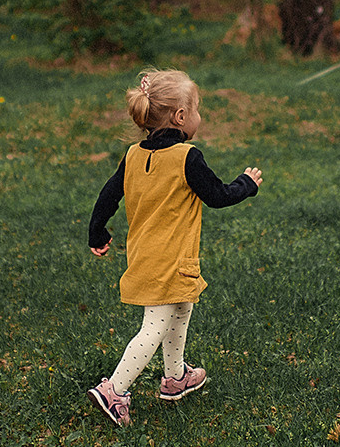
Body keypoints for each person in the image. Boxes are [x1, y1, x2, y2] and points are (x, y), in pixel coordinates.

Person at [85, 68, 262, 427]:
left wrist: (96, 231)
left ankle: (175, 377)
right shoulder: (187, 157)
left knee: (182, 307)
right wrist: (246, 184)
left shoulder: (134, 155)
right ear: (181, 117)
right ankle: (114, 391)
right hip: (170, 260)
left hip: (148, 256)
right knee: (154, 326)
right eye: (197, 110)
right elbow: (217, 196)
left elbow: (108, 195)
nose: (199, 117)